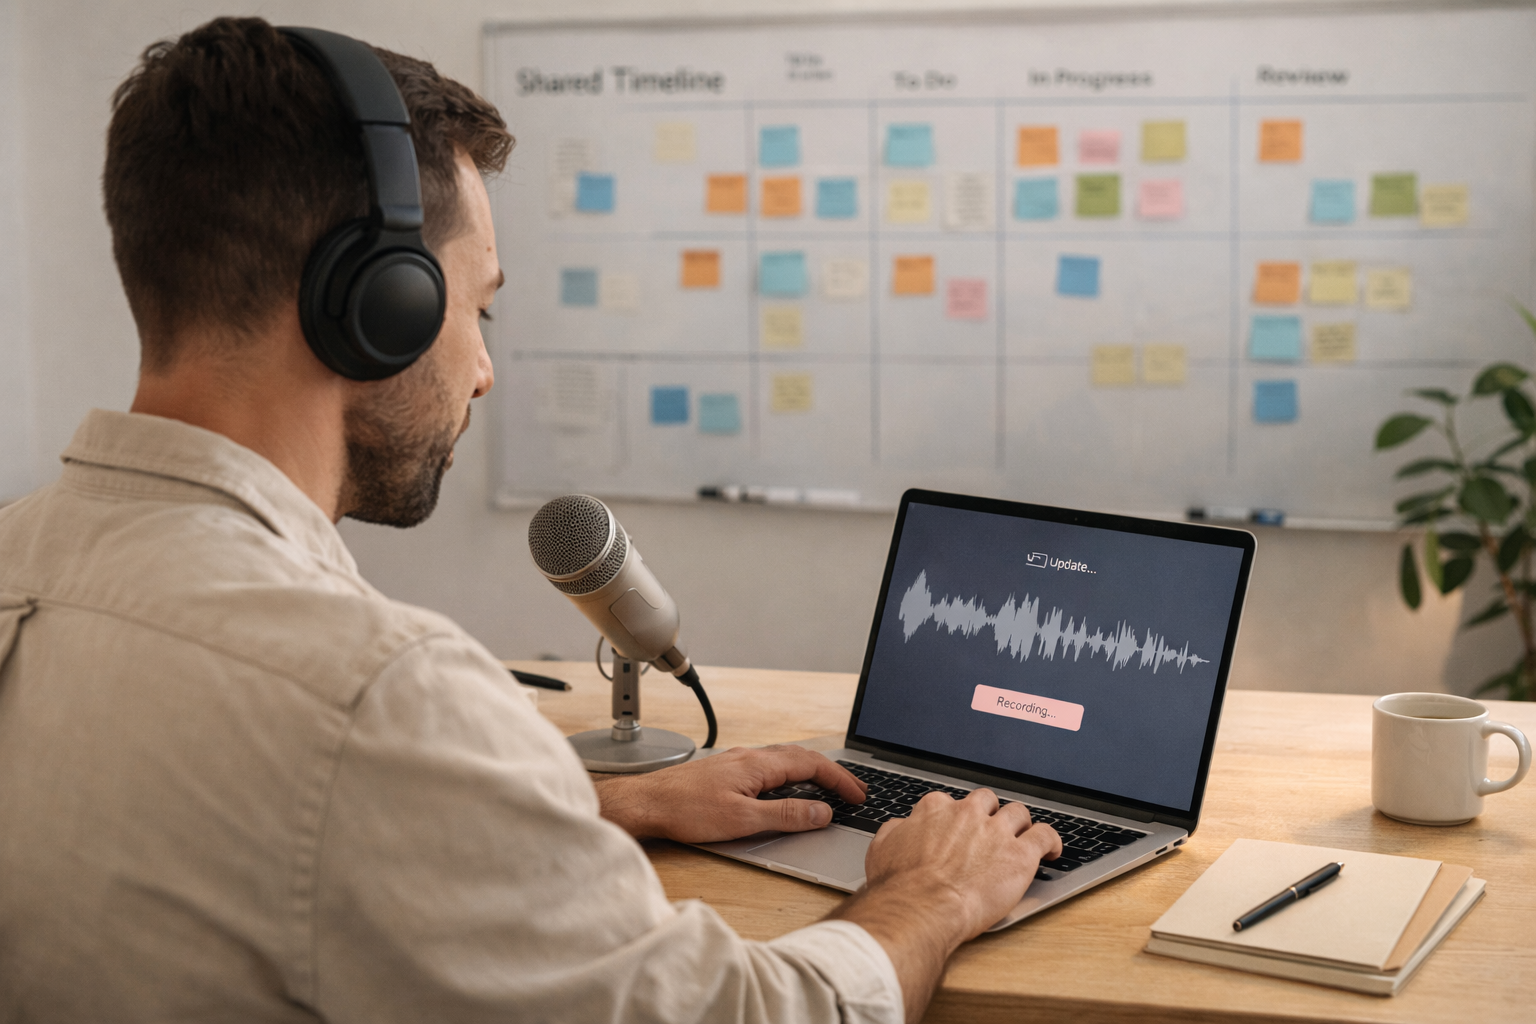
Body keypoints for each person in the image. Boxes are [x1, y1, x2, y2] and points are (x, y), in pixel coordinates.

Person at [0, 17, 1060, 1023]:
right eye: (479, 307)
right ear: (376, 306)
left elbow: (243, 834)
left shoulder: (20, 562)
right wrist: (934, 892)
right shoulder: (373, 696)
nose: (486, 369)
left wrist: (592, 808)